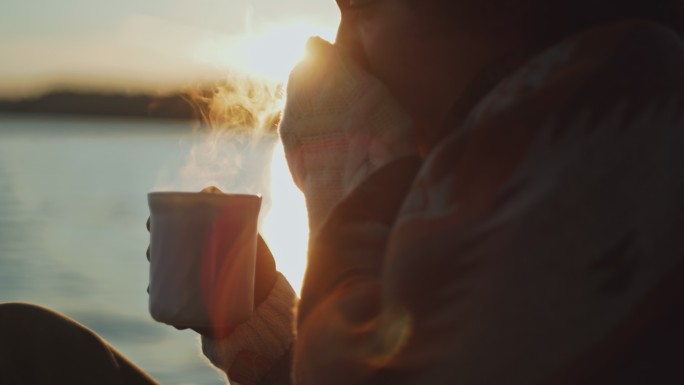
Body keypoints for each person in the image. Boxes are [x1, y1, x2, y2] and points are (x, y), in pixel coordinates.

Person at [1, 0, 683, 384]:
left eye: (365, 9)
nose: (343, 44)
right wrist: (252, 317)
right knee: (23, 344)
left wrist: (343, 167)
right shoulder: (511, 150)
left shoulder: (618, 112)